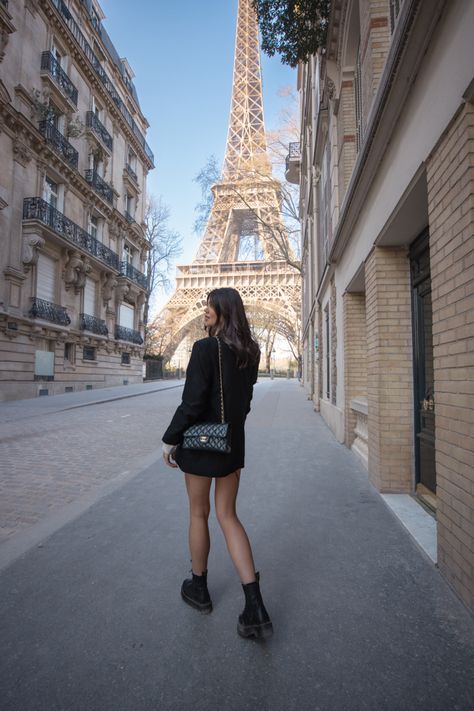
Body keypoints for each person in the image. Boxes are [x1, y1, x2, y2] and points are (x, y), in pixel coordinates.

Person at [162, 287, 273, 640]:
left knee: (199, 514)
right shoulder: (249, 353)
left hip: (199, 444)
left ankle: (199, 588)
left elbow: (192, 402)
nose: (204, 310)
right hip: (230, 446)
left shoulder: (205, 348)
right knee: (228, 516)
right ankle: (254, 605)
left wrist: (170, 438)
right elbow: (246, 403)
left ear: (224, 309)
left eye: (210, 305)